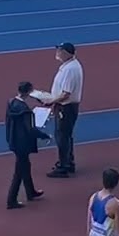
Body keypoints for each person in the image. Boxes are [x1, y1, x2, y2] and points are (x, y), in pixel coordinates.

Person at [44, 42, 84, 178]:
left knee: (62, 136)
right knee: (65, 135)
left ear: (66, 53)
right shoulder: (69, 66)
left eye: (60, 50)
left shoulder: (70, 69)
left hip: (66, 107)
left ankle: (64, 165)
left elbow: (66, 93)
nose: (57, 53)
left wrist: (51, 100)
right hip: (65, 106)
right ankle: (68, 161)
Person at [4, 81, 46, 209]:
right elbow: (31, 129)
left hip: (14, 140)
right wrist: (44, 135)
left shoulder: (11, 103)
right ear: (28, 92)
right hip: (23, 143)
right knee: (19, 172)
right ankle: (11, 200)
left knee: (26, 166)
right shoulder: (25, 110)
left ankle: (30, 191)